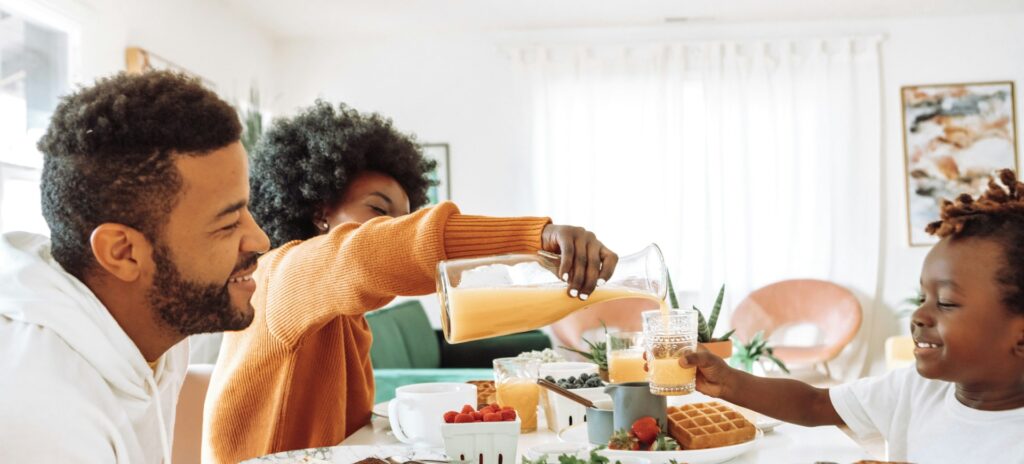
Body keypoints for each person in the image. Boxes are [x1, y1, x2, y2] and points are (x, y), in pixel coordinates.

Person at [203, 102, 619, 463]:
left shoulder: (342, 314)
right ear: (320, 211)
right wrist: (533, 238)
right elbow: (368, 252)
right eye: (378, 211)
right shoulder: (282, 275)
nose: (392, 228)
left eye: (403, 217)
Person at [0, 71, 271, 463]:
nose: (260, 240)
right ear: (123, 253)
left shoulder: (154, 321)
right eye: (228, 223)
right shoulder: (44, 409)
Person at [680, 169, 1024, 462]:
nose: (919, 314)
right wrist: (728, 381)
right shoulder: (916, 389)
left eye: (946, 302)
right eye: (923, 297)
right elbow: (814, 404)